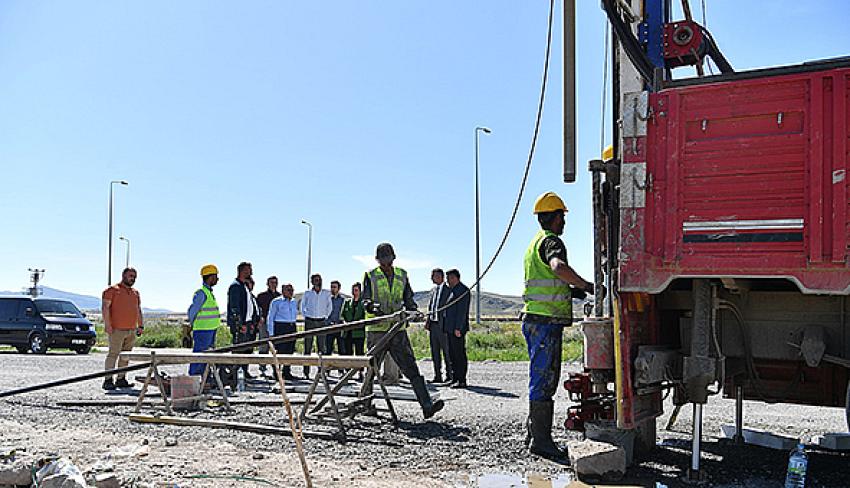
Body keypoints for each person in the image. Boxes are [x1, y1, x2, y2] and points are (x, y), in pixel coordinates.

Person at [522, 191, 594, 459]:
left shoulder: (534, 243)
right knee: (544, 380)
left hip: (535, 320)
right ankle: (540, 441)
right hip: (545, 323)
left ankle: (533, 434)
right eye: (562, 216)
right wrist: (585, 285)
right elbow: (557, 267)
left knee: (539, 377)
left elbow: (550, 283)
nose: (564, 222)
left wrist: (572, 292)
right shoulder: (552, 242)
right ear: (553, 217)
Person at [362, 242, 444, 419]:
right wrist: (371, 307)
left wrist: (413, 310)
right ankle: (365, 404)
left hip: (397, 330)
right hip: (377, 330)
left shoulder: (402, 275)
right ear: (377, 260)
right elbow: (365, 299)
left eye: (388, 259)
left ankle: (427, 405)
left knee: (411, 367)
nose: (386, 263)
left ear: (393, 258)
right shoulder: (370, 276)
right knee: (371, 369)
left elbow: (408, 298)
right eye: (383, 260)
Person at [101, 267, 144, 390]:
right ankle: (108, 380)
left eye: (134, 277)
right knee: (113, 354)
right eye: (131, 276)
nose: (133, 279)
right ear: (123, 276)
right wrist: (108, 325)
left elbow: (138, 309)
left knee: (126, 356)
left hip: (131, 329)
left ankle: (121, 378)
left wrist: (140, 325)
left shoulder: (135, 293)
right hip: (116, 329)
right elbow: (105, 308)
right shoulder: (112, 290)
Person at [187, 264, 221, 377]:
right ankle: (194, 378)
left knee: (207, 356)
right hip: (203, 330)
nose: (217, 279)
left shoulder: (209, 292)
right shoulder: (201, 293)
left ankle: (204, 378)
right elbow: (193, 311)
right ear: (210, 277)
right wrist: (192, 325)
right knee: (199, 356)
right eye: (216, 276)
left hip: (210, 329)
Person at [227, 262, 259, 378]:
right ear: (243, 271)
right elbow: (235, 307)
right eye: (249, 270)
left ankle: (244, 372)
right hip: (241, 325)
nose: (251, 272)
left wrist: (251, 322)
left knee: (248, 350)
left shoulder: (245, 287)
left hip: (248, 323)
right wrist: (239, 324)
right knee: (239, 350)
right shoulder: (235, 286)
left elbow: (250, 306)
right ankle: (235, 374)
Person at [300, 273, 332, 378]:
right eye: (315, 280)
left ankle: (321, 372)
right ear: (312, 281)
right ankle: (306, 372)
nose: (317, 281)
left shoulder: (326, 293)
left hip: (321, 321)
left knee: (322, 347)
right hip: (310, 321)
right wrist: (306, 315)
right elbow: (302, 305)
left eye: (318, 279)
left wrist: (325, 316)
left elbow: (329, 306)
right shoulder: (308, 293)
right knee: (307, 347)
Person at [443, 269, 470, 389]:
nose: (447, 281)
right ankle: (454, 378)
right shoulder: (452, 291)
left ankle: (462, 380)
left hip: (457, 328)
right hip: (450, 328)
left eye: (449, 278)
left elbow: (462, 311)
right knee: (452, 354)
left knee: (459, 354)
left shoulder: (463, 291)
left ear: (456, 278)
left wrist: (458, 327)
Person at [425, 268, 452, 384]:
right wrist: (428, 320)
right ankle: (437, 376)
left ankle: (449, 376)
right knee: (435, 351)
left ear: (441, 277)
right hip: (433, 325)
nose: (432, 278)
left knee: (447, 351)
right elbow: (432, 307)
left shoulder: (448, 290)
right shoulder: (434, 290)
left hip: (443, 326)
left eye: (434, 276)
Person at [266, 283, 298, 380]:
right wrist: (271, 333)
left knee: (290, 350)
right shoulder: (276, 302)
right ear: (283, 290)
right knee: (280, 351)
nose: (291, 292)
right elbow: (271, 317)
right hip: (281, 327)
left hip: (291, 326)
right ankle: (277, 373)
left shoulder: (293, 301)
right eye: (288, 290)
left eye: (292, 290)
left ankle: (287, 372)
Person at [256, 276, 281, 376]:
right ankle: (262, 368)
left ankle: (276, 369)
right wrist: (260, 318)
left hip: (276, 324)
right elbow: (257, 309)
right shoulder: (262, 296)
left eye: (275, 282)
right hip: (265, 322)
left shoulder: (279, 296)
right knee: (263, 345)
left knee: (276, 346)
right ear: (267, 284)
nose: (273, 284)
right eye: (271, 282)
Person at [341, 282, 366, 357]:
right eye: (353, 290)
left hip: (358, 333)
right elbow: (342, 315)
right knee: (347, 352)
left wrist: (358, 323)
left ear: (360, 291)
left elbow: (365, 316)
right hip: (347, 332)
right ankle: (348, 368)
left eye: (356, 290)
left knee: (359, 352)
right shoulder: (347, 302)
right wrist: (344, 322)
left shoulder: (363, 303)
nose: (354, 292)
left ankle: (360, 368)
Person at [324, 280, 345, 355]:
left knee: (342, 349)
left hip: (340, 327)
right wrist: (329, 322)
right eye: (331, 287)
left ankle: (342, 366)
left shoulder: (343, 300)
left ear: (339, 288)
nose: (332, 289)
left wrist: (340, 323)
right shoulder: (327, 300)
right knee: (328, 349)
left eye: (334, 287)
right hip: (329, 327)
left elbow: (344, 314)